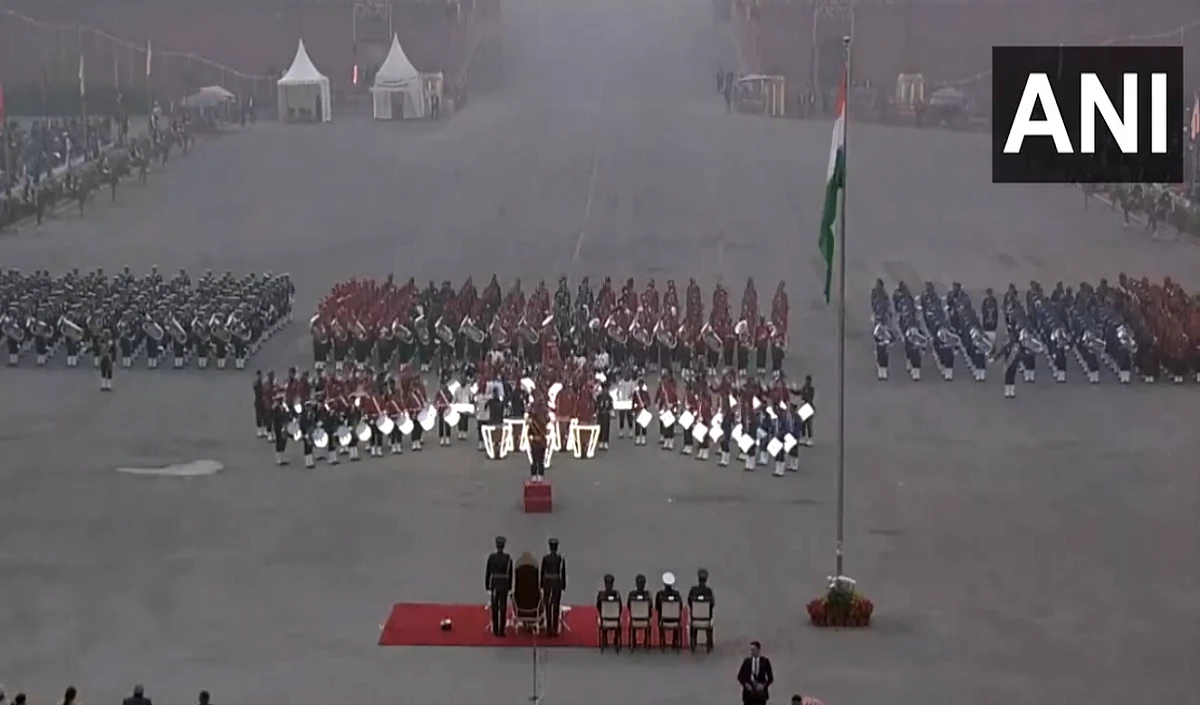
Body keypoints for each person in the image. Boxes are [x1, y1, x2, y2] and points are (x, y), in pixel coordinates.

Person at [485, 535, 514, 637]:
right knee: (503, 607)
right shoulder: (508, 558)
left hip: (494, 583)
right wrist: (510, 586)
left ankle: (495, 629)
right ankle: (502, 630)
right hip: (504, 584)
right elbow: (510, 574)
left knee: (495, 606)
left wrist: (487, 585)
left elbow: (488, 572)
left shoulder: (492, 557)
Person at [540, 538, 567, 636]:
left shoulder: (545, 558)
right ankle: (555, 628)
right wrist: (563, 585)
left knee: (547, 605)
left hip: (547, 583)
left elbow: (542, 572)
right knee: (556, 606)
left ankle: (549, 628)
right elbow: (562, 573)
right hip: (556, 583)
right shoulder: (560, 559)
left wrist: (541, 585)